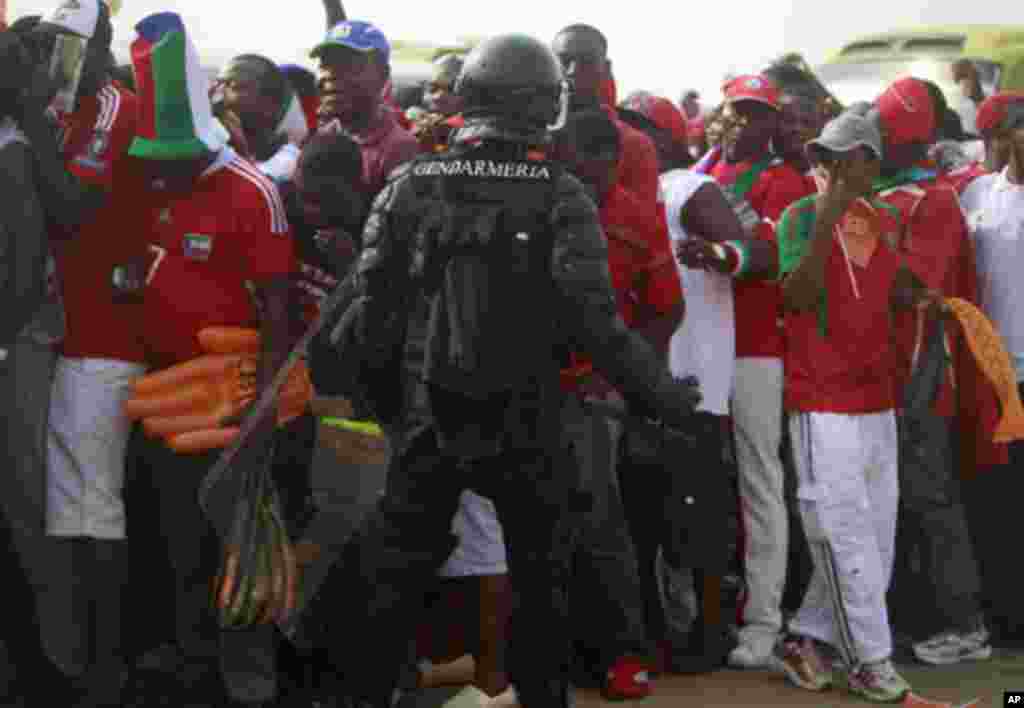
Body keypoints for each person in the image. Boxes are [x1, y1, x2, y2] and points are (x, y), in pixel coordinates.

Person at [303, 33, 701, 708]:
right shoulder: (561, 194)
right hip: (529, 418)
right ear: (545, 107)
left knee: (391, 583)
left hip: (428, 415)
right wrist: (665, 397)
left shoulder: (411, 184)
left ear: (469, 98)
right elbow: (596, 325)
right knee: (542, 585)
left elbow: (373, 311)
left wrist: (383, 408)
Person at [125, 13, 296, 707]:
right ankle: (186, 666)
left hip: (229, 402)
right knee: (173, 538)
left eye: (173, 160)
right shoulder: (160, 180)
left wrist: (262, 411)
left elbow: (278, 312)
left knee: (236, 545)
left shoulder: (252, 192)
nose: (161, 170)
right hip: (165, 397)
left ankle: (247, 680)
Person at [773, 109, 939, 701]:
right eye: (823, 156)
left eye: (845, 156)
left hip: (876, 400)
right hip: (823, 401)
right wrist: (827, 215)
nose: (829, 166)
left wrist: (917, 295)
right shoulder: (798, 216)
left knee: (876, 540)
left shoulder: (885, 219)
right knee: (844, 535)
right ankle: (871, 662)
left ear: (870, 163)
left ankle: (807, 636)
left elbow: (882, 289)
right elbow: (797, 296)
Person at [14, 2, 148, 705]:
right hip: (54, 334)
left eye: (73, 45)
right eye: (49, 45)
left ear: (101, 48)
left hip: (101, 335)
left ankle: (104, 665)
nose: (61, 59)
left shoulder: (107, 107)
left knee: (90, 506)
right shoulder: (51, 108)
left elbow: (72, 208)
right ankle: (74, 657)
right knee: (60, 506)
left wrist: (32, 114)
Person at [552, 109, 684, 697]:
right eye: (582, 163)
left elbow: (665, 308)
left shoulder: (636, 215)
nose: (593, 177)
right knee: (535, 528)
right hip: (523, 386)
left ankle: (622, 656)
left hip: (594, 393)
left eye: (604, 166)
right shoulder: (537, 201)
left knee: (600, 522)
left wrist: (633, 383)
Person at [865, 77, 994, 666]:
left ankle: (964, 625)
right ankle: (911, 618)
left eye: (884, 130)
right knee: (894, 498)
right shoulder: (890, 190)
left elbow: (913, 288)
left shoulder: (933, 199)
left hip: (921, 363)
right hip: (882, 365)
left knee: (929, 495)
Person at [700, 73, 814, 670]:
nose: (743, 123)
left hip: (756, 347)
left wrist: (723, 253)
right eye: (735, 112)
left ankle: (765, 621)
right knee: (710, 486)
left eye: (755, 114)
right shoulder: (707, 173)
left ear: (772, 123)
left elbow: (771, 255)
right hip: (702, 345)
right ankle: (715, 611)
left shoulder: (783, 179)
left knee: (760, 484)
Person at [0, 26, 84, 707]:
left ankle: (54, 659)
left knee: (25, 499)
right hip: (14, 338)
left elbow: (24, 271)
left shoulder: (14, 153)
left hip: (18, 343)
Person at [958, 91, 1024, 647]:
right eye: (1007, 131)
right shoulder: (977, 192)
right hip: (993, 373)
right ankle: (1006, 617)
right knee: (999, 502)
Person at [551, 24, 659, 206]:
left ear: (606, 68)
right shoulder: (529, 132)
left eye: (587, 62)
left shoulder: (635, 145)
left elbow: (644, 226)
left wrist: (600, 184)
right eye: (564, 60)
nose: (572, 71)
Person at [312, 19, 420, 197]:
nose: (331, 74)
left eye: (347, 66)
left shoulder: (399, 149)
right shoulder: (323, 136)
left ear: (382, 75)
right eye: (325, 65)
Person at [213, 54, 309, 185]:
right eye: (217, 84)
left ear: (270, 104)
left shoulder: (289, 164)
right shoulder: (215, 152)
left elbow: (254, 191)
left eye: (234, 86)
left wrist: (242, 150)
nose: (217, 95)